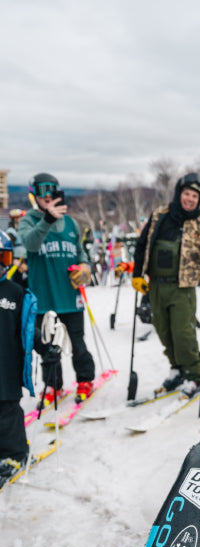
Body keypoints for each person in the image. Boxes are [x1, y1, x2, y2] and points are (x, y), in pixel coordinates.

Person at [132, 173, 200, 398]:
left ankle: (195, 375)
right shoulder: (159, 216)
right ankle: (177, 369)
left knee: (183, 334)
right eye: (187, 194)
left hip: (182, 288)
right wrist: (137, 275)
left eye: (195, 196)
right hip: (156, 286)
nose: (190, 199)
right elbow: (142, 245)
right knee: (164, 332)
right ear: (178, 193)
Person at [19, 173, 95, 402]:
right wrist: (47, 220)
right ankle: (53, 385)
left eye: (52, 189)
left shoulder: (70, 222)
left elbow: (82, 253)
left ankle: (85, 379)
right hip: (43, 298)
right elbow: (31, 243)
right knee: (48, 349)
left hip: (70, 296)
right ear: (34, 195)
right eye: (42, 191)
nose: (47, 195)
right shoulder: (28, 220)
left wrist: (85, 268)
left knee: (77, 343)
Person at [0, 231, 37, 486]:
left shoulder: (16, 292)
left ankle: (15, 453)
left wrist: (47, 349)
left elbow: (28, 329)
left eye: (3, 257)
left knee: (7, 410)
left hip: (6, 367)